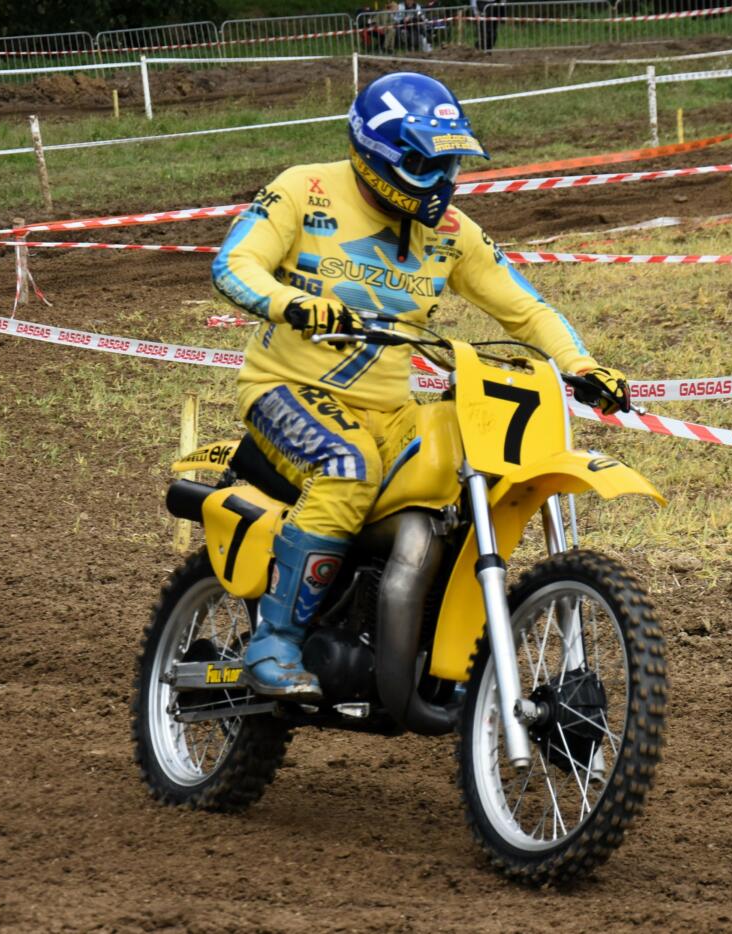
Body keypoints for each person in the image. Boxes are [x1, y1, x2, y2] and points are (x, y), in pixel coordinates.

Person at [211, 72, 631, 698]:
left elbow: (526, 308)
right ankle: (275, 640)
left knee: (470, 464)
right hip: (284, 390)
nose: (440, 180)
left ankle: (429, 649)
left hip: (390, 410)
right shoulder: (305, 189)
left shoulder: (451, 231)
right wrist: (290, 303)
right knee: (348, 465)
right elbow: (233, 263)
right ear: (376, 155)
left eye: (449, 164)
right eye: (423, 164)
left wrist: (582, 364)